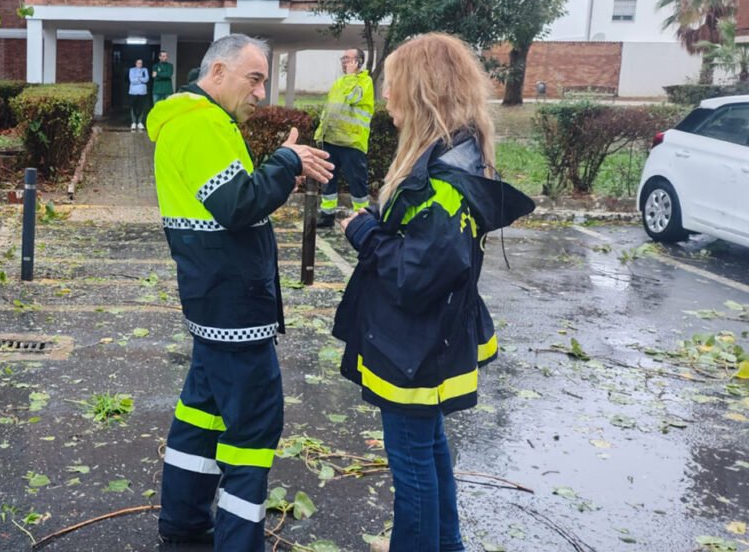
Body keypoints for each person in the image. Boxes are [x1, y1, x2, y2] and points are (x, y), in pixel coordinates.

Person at [331, 33, 534, 552]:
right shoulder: (451, 159)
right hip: (421, 343)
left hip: (412, 349)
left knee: (413, 464)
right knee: (428, 449)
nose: (386, 101)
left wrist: (363, 232)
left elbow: (414, 276)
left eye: (393, 87)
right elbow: (427, 251)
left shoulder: (442, 182)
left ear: (422, 93)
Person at [147, 34, 334, 551]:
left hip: (214, 304)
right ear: (219, 72)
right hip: (234, 311)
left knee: (200, 419)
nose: (260, 92)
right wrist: (286, 163)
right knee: (252, 434)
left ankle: (184, 527)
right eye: (254, 79)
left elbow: (233, 202)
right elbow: (236, 206)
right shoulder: (202, 125)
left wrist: (275, 176)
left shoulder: (196, 123)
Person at [314, 48, 375, 228]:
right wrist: (320, 133)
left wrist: (350, 76)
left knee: (357, 182)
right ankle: (327, 215)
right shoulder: (340, 82)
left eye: (348, 59)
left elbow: (353, 97)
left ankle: (362, 218)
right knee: (327, 179)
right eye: (343, 58)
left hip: (352, 141)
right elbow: (330, 109)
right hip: (331, 139)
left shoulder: (365, 81)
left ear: (359, 62)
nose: (344, 62)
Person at [128, 59, 150, 130]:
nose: (140, 64)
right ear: (135, 63)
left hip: (142, 91)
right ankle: (133, 122)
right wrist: (141, 79)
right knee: (133, 106)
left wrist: (138, 78)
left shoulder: (145, 70)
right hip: (133, 91)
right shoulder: (132, 70)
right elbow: (132, 80)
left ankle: (140, 122)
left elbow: (146, 79)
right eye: (138, 63)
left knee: (141, 106)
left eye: (141, 63)